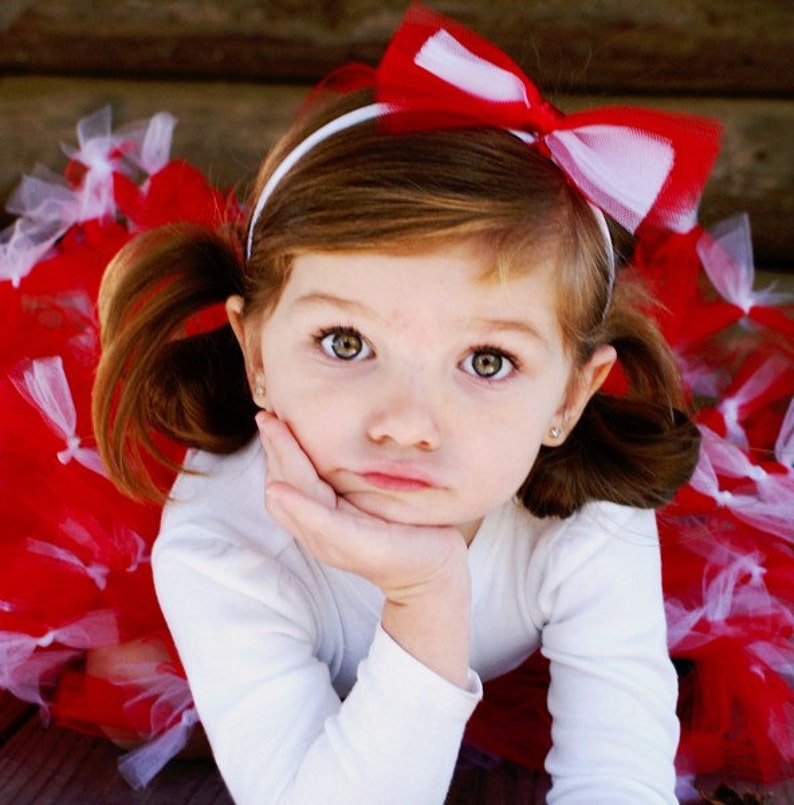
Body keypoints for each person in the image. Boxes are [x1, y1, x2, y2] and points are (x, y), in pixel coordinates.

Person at [87, 5, 730, 803]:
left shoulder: (591, 516)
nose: (406, 424)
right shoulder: (224, 537)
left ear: (569, 396)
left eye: (487, 360)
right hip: (232, 611)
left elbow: (619, 776)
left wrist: (426, 590)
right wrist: (426, 596)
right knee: (132, 690)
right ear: (255, 356)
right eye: (344, 342)